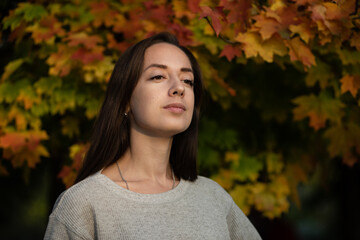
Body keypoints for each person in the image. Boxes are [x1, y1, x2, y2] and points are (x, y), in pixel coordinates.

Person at [44, 32, 262, 240]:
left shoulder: (213, 198)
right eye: (158, 76)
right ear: (125, 99)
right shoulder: (84, 203)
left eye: (188, 80)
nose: (179, 88)